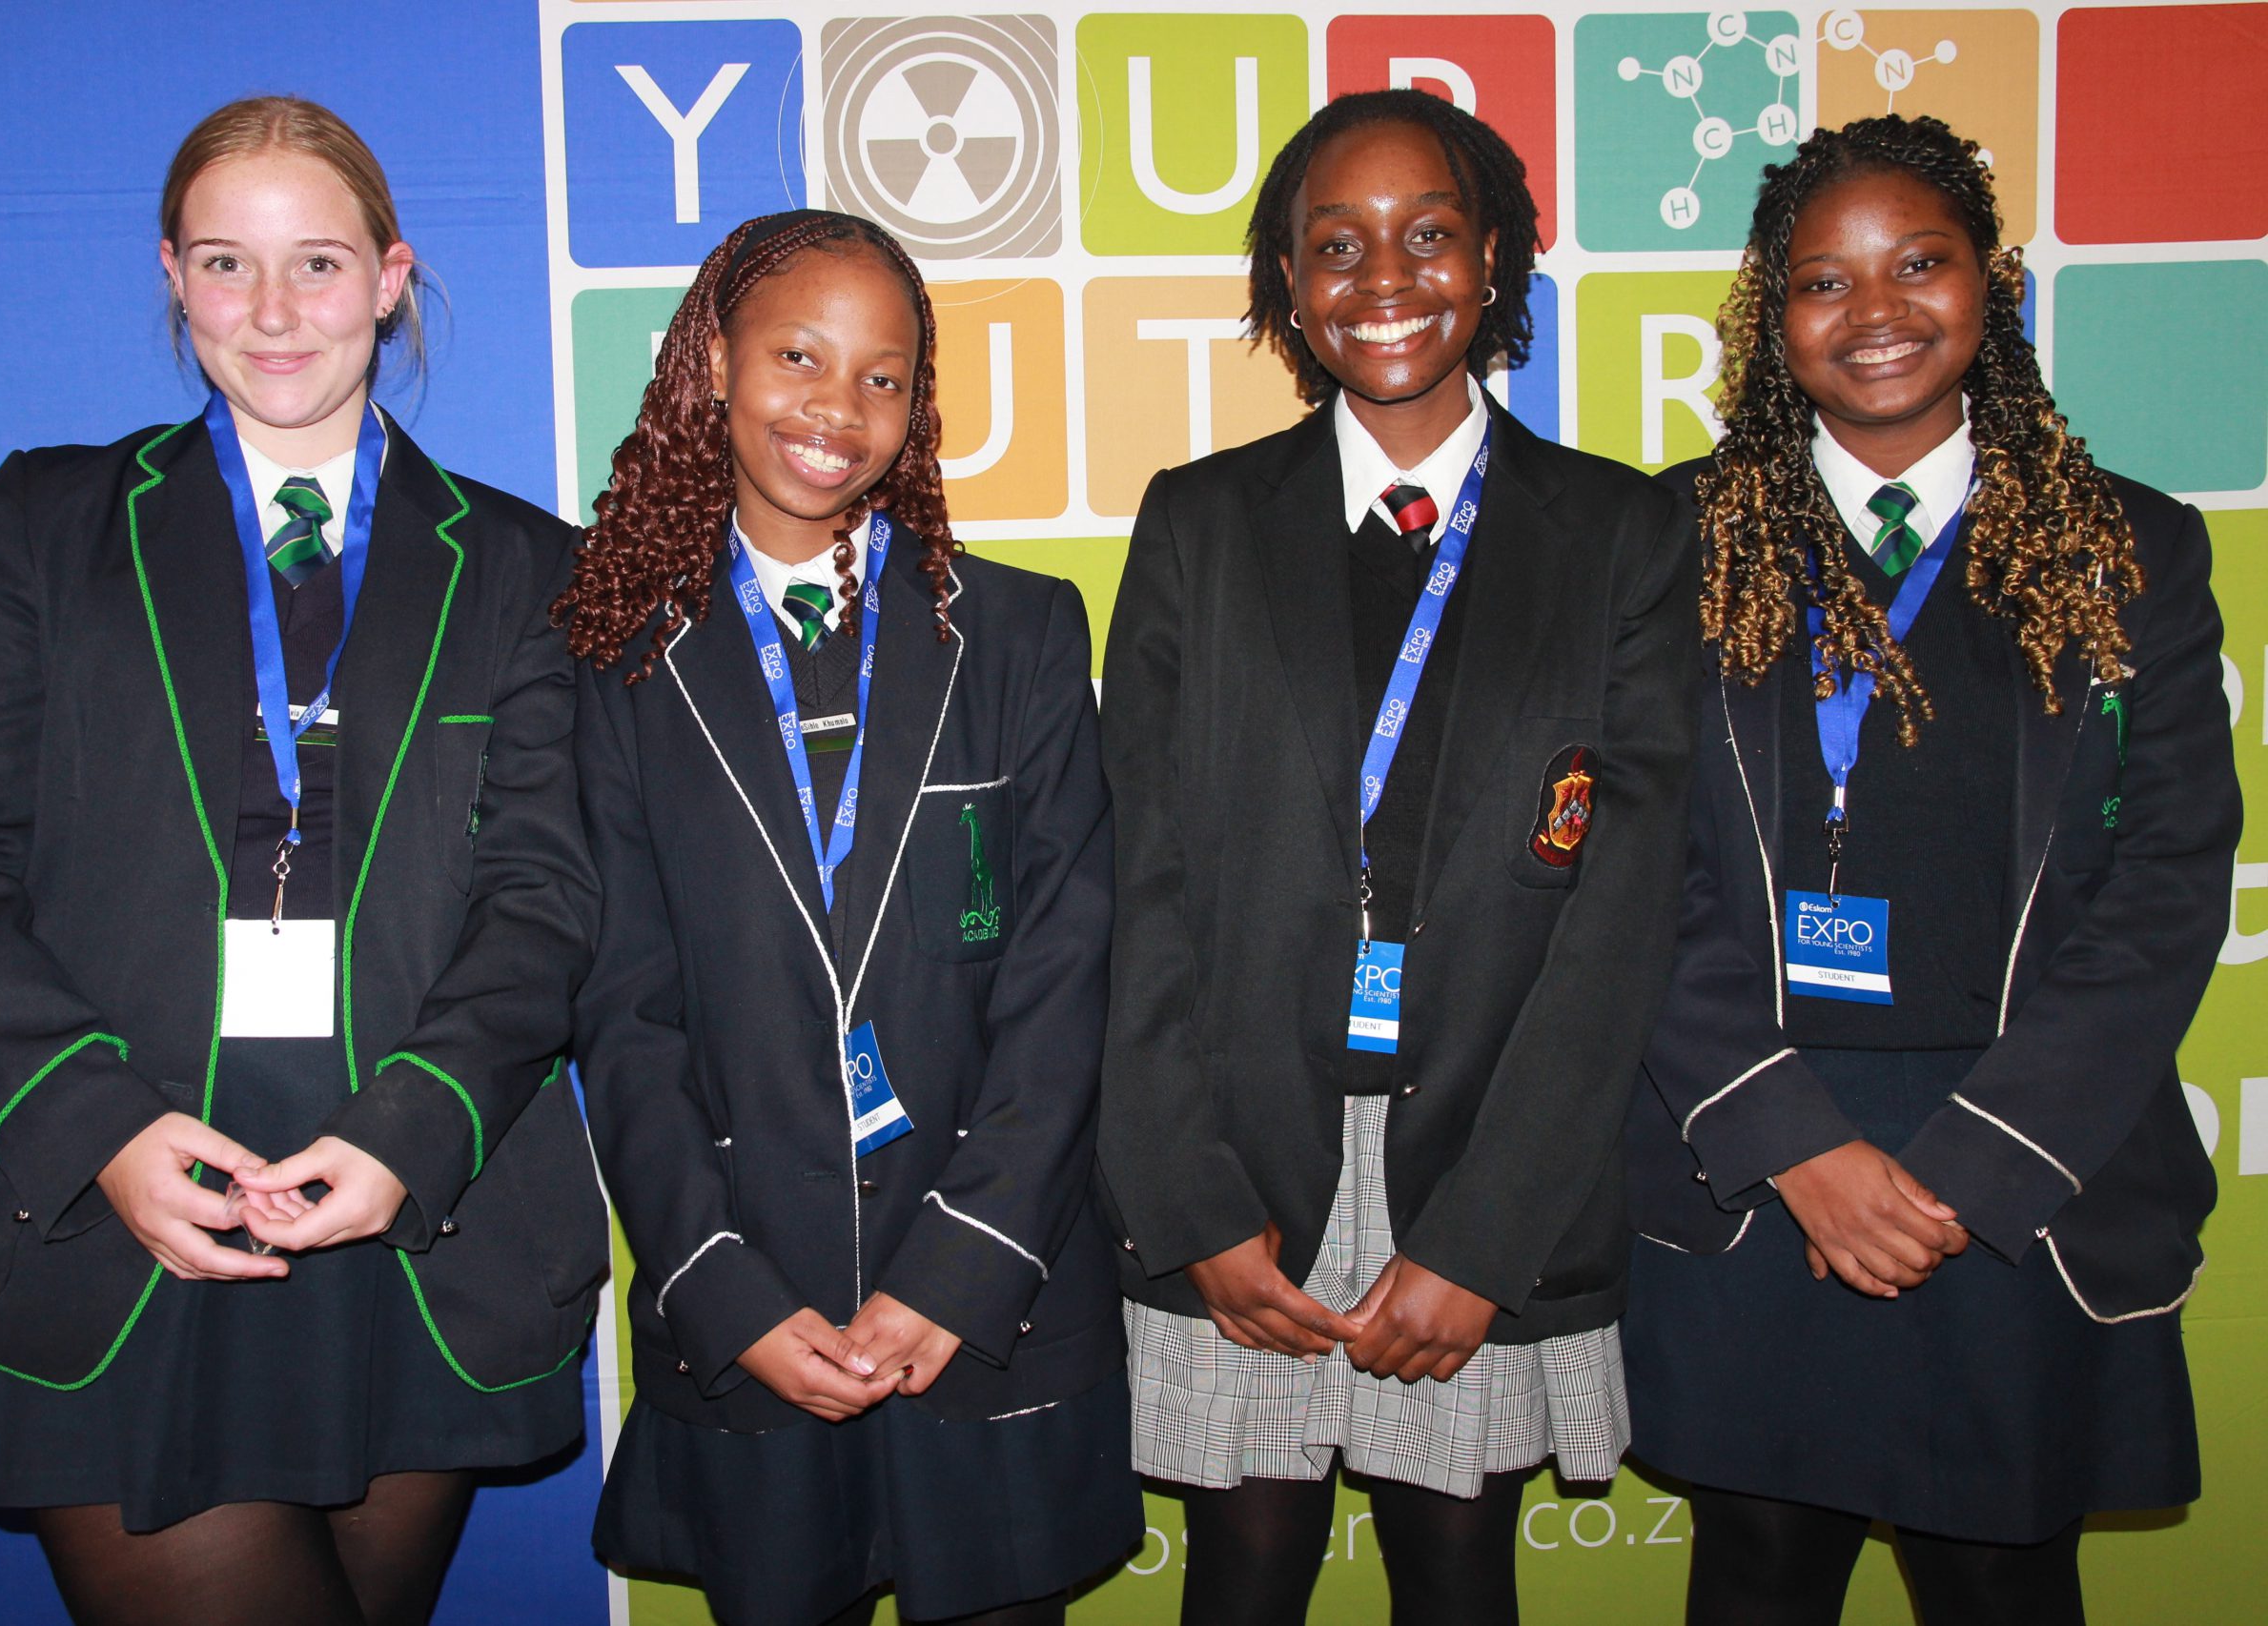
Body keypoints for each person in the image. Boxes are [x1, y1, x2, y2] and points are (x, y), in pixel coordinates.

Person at [0, 96, 604, 1626]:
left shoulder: (527, 565)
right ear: (173, 276)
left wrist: (409, 1132)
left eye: (318, 264)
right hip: (105, 1211)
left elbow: (551, 895)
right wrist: (102, 1129)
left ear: (392, 277)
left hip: (405, 1216)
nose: (273, 312)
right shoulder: (48, 526)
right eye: (225, 263)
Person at [1094, 89, 1699, 1626]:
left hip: (1489, 1159)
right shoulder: (1201, 524)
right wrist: (1195, 1204)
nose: (1386, 276)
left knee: (1454, 1572)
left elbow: (1619, 922)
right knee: (1241, 1576)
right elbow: (1134, 882)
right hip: (1241, 1159)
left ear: (1493, 257)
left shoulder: (1621, 533)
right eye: (1336, 244)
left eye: (1430, 234)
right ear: (1288, 285)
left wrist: (1484, 1240)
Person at [1624, 114, 2236, 1626]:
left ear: (1994, 283)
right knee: (1757, 1574)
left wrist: (1972, 1167)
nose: (1876, 312)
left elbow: (2165, 885)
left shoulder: (2129, 549)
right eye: (1823, 282)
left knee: (2000, 1574)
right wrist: (1796, 1145)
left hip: (2020, 1162)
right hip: (1760, 1160)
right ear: (1774, 323)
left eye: (1919, 265)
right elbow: (1629, 874)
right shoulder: (1670, 542)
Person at [560, 209, 1139, 1626]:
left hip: (994, 1307)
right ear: (713, 361)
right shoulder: (619, 659)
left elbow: (1069, 970)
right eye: (799, 356)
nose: (839, 408)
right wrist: (722, 1287)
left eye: (884, 375)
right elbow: (622, 1013)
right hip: (759, 1307)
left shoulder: (1016, 630)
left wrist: (963, 1263)